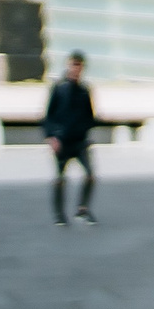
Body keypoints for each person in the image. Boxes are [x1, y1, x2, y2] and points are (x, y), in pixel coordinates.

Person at [43, 50, 99, 227]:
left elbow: (90, 116)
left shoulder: (84, 91)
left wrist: (87, 131)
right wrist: (51, 137)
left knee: (90, 176)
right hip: (62, 142)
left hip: (80, 142)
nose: (76, 70)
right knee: (60, 179)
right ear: (68, 66)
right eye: (74, 65)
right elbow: (48, 116)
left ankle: (82, 210)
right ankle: (59, 214)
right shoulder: (59, 89)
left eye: (79, 66)